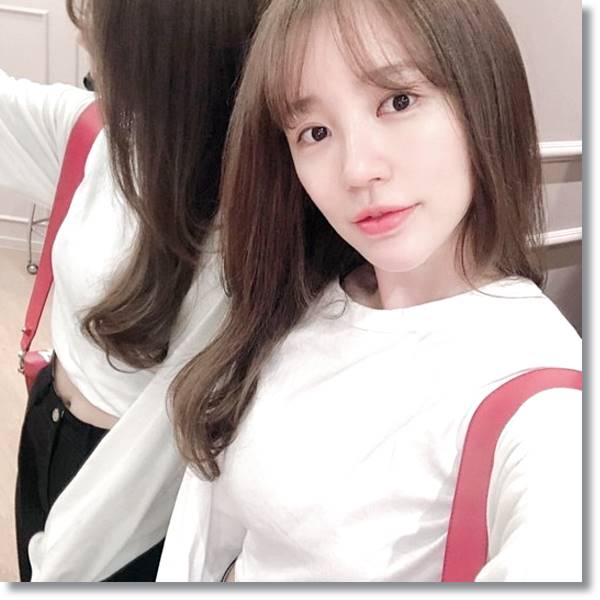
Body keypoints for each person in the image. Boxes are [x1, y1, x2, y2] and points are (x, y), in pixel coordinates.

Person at [156, 0, 582, 583]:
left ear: (484, 96)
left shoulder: (541, 387)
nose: (357, 169)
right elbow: (208, 526)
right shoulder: (308, 295)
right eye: (315, 132)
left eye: (398, 101)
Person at [1, 0, 259, 582]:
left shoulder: (252, 223)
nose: (84, 44)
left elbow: (163, 448)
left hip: (134, 486)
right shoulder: (100, 136)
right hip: (48, 420)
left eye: (102, 29)